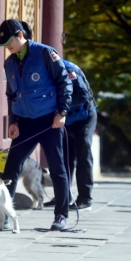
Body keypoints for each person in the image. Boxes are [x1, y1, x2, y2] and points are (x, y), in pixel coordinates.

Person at [0, 19, 72, 231]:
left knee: (57, 168)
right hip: (25, 123)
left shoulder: (45, 53)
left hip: (50, 120)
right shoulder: (9, 63)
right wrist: (13, 121)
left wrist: (62, 112)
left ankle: (61, 215)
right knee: (11, 168)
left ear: (20, 35)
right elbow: (11, 94)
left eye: (8, 41)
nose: (7, 46)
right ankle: (1, 216)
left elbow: (63, 82)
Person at [44, 60, 97, 211]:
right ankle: (63, 196)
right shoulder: (42, 71)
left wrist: (59, 107)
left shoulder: (68, 69)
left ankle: (85, 198)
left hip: (83, 117)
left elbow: (81, 95)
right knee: (64, 158)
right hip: (65, 120)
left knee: (83, 155)